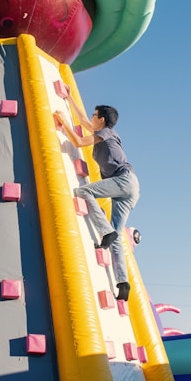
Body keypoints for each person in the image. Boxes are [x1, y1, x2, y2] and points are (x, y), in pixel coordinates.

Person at [54, 97, 140, 301]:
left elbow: (79, 141)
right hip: (131, 188)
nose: (91, 117)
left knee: (84, 191)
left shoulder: (104, 133)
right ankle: (122, 283)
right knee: (117, 238)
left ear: (101, 120)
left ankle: (105, 231)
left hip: (123, 180)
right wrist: (69, 97)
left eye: (95, 115)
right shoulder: (106, 132)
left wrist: (63, 121)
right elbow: (83, 119)